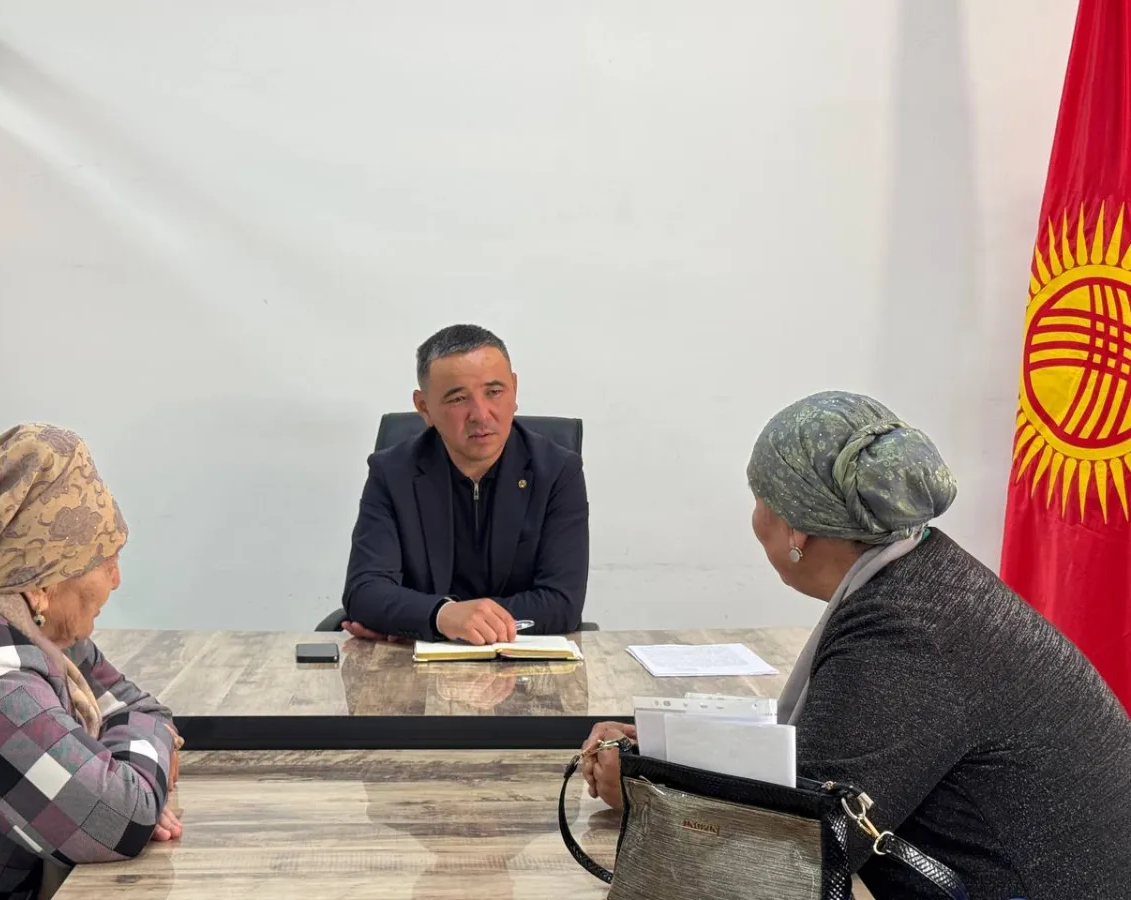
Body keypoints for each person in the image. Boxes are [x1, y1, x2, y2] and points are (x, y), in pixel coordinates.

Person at [581, 391, 1131, 900]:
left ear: (796, 530)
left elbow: (790, 861)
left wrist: (647, 793)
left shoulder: (905, 634)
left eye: (759, 501)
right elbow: (830, 759)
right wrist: (673, 758)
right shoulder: (925, 575)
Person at [0, 424, 183, 900]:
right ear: (43, 580)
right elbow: (119, 819)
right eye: (105, 561)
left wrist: (120, 776)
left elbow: (144, 710)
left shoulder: (28, 623)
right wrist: (128, 781)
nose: (116, 580)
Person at [341, 324, 589, 644]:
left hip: (521, 661)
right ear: (424, 407)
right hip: (416, 667)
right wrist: (442, 616)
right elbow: (364, 592)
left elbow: (561, 603)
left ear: (514, 390)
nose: (481, 415)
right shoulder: (392, 472)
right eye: (458, 399)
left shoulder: (557, 471)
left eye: (494, 392)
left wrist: (429, 623)